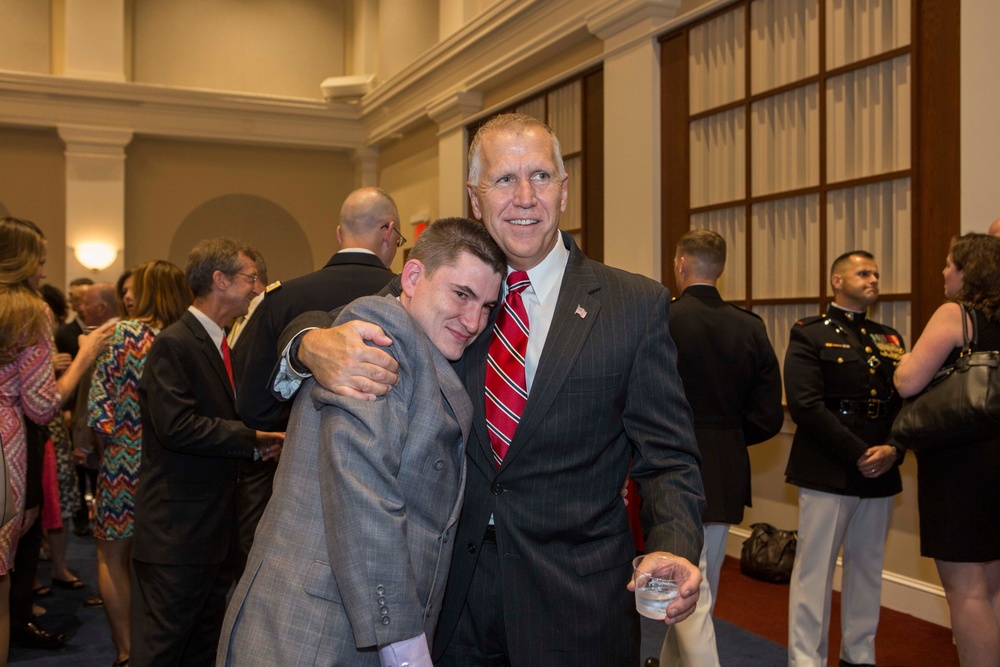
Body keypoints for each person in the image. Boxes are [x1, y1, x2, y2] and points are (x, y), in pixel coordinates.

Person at [272, 113, 705, 666]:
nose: (525, 197)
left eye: (541, 177)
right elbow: (316, 321)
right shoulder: (452, 294)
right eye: (504, 180)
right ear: (476, 200)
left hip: (576, 603)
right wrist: (309, 344)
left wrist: (672, 542)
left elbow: (668, 457)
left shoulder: (633, 305)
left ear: (564, 191)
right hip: (449, 596)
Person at [219, 217, 505, 666]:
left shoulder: (425, 340)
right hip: (316, 632)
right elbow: (362, 491)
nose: (474, 321)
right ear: (412, 276)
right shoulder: (378, 336)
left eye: (488, 306)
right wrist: (406, 650)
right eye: (462, 294)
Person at [230, 187, 399, 578]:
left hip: (298, 476)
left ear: (340, 235)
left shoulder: (283, 297)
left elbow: (254, 406)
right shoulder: (405, 298)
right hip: (386, 477)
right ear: (388, 232)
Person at [130, 238, 283, 666]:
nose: (257, 289)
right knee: (162, 650)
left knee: (200, 648)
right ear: (220, 280)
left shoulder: (217, 342)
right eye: (251, 278)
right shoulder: (175, 343)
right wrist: (251, 439)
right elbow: (176, 427)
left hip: (210, 534)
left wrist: (256, 450)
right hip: (176, 537)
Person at [654, 229, 784, 667]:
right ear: (721, 269)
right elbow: (769, 416)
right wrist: (726, 438)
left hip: (669, 461)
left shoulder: (662, 318)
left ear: (680, 265)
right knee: (702, 578)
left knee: (689, 588)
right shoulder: (749, 326)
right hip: (726, 464)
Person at [784, 250, 906, 667]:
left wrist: (895, 448)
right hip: (829, 466)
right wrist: (859, 453)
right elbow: (804, 404)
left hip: (881, 466)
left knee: (868, 570)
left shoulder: (889, 338)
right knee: (814, 573)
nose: (873, 279)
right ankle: (806, 659)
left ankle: (859, 655)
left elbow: (903, 402)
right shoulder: (810, 332)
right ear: (837, 281)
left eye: (876, 273)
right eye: (863, 273)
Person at [0, 216, 111, 659]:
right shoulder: (29, 311)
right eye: (40, 261)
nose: (44, 272)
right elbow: (43, 405)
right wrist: (85, 357)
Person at [893, 233, 1000, 667]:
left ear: (968, 271)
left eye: (949, 264)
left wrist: (900, 361)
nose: (943, 272)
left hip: (961, 462)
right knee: (993, 588)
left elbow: (908, 381)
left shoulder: (956, 313)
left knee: (966, 591)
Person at [87, 259, 193, 667]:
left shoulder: (121, 334)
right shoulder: (187, 334)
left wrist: (109, 453)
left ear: (146, 291)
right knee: (163, 564)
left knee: (112, 559)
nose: (125, 295)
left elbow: (100, 411)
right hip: (174, 463)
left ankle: (127, 651)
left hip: (122, 460)